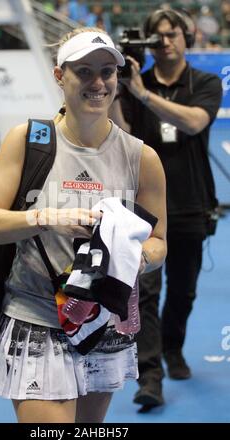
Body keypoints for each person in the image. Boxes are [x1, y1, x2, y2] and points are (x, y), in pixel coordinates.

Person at [0, 27, 167, 423]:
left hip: (102, 323)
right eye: (84, 71)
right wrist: (46, 218)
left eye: (107, 72)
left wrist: (132, 259)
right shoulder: (29, 139)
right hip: (36, 317)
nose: (98, 83)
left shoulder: (141, 157)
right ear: (60, 76)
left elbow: (159, 241)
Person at [110, 9, 223, 411]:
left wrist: (143, 94)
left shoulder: (204, 82)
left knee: (184, 290)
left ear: (185, 36)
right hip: (145, 206)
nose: (165, 43)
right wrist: (117, 89)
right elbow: (122, 133)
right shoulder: (134, 82)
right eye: (157, 37)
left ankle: (173, 350)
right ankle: (150, 374)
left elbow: (195, 122)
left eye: (171, 34)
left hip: (192, 201)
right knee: (146, 291)